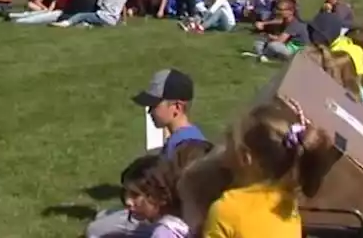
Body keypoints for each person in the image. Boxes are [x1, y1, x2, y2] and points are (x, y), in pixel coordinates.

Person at [85, 69, 206, 238]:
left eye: (154, 105)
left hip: (172, 221)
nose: (149, 112)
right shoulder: (181, 137)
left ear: (177, 107)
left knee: (95, 230)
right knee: (102, 216)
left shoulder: (186, 146)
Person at [201, 102, 330, 238]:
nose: (223, 151)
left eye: (230, 142)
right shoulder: (287, 205)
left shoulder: (227, 210)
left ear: (245, 157)